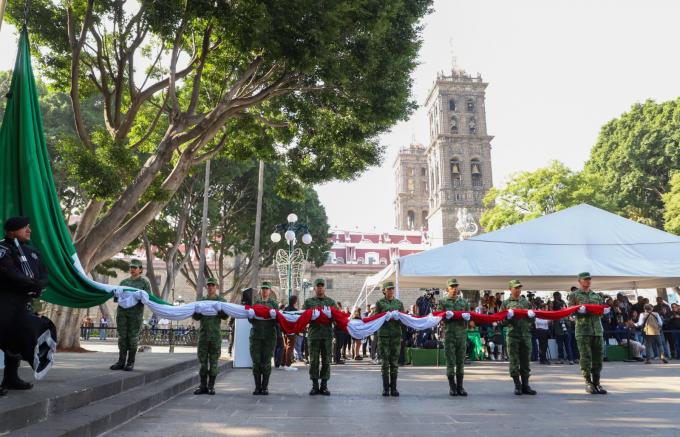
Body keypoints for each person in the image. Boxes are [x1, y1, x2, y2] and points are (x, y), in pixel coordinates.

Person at [0, 217, 49, 396]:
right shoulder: (2, 249)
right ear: (11, 231)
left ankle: (11, 378)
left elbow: (44, 274)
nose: (29, 231)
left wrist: (39, 285)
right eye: (24, 228)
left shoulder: (32, 251)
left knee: (17, 339)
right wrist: (32, 285)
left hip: (23, 303)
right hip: (4, 301)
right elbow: (8, 272)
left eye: (29, 227)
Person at [568, 272, 609, 395]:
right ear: (579, 281)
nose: (588, 281)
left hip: (597, 331)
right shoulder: (574, 295)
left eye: (589, 279)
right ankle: (588, 382)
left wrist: (604, 311)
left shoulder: (596, 296)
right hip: (583, 331)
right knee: (586, 358)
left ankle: (597, 383)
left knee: (598, 358)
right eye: (585, 279)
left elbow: (600, 311)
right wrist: (578, 312)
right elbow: (570, 312)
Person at [110, 259, 151, 371]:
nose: (132, 269)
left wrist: (139, 296)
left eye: (135, 267)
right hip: (122, 312)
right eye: (131, 267)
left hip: (135, 314)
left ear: (140, 270)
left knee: (132, 338)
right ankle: (121, 361)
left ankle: (130, 362)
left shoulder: (144, 283)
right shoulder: (124, 282)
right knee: (122, 337)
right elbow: (116, 299)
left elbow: (147, 299)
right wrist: (116, 294)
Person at [500, 279, 537, 396]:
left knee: (526, 361)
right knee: (514, 361)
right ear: (510, 289)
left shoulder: (526, 302)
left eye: (519, 288)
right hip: (512, 336)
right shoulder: (505, 303)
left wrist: (532, 316)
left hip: (525, 335)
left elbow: (532, 319)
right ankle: (517, 385)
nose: (518, 290)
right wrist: (508, 318)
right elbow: (501, 322)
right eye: (516, 288)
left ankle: (526, 385)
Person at [192, 278, 228, 395]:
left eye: (212, 285)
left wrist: (219, 311)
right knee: (202, 362)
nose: (210, 287)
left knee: (213, 362)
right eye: (209, 285)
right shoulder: (201, 301)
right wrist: (197, 312)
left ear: (216, 287)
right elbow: (196, 318)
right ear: (207, 287)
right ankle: (203, 385)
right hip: (203, 335)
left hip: (215, 337)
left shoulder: (221, 301)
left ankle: (211, 386)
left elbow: (225, 317)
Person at [303, 278, 337, 396]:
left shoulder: (331, 302)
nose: (320, 288)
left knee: (327, 360)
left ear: (324, 288)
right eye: (318, 286)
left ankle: (324, 385)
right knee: (314, 361)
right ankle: (314, 385)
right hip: (314, 335)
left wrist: (331, 316)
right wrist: (310, 317)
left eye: (322, 286)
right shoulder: (309, 302)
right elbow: (303, 317)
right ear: (315, 287)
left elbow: (337, 319)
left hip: (327, 335)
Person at [438, 278, 470, 396]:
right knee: (451, 362)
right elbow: (439, 317)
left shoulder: (463, 302)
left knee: (460, 361)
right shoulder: (443, 302)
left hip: (461, 335)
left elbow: (469, 317)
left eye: (456, 286)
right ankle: (452, 387)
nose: (455, 289)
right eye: (452, 287)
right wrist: (446, 316)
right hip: (450, 335)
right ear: (447, 289)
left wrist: (468, 318)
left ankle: (460, 387)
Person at [249, 281, 278, 395]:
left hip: (269, 337)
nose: (265, 290)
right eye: (263, 288)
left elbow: (277, 321)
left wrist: (274, 317)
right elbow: (251, 320)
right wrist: (250, 316)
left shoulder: (273, 304)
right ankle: (257, 387)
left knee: (266, 362)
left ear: (270, 291)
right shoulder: (256, 303)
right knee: (256, 362)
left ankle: (264, 387)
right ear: (261, 290)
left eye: (267, 289)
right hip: (256, 336)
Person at [375, 282, 404, 396]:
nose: (391, 291)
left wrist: (399, 318)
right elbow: (375, 318)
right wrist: (384, 317)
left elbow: (403, 319)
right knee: (385, 363)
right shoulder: (379, 303)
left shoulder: (399, 303)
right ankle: (386, 388)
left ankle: (394, 388)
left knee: (394, 362)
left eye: (392, 289)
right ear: (384, 291)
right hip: (384, 335)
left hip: (396, 335)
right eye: (389, 289)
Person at [282, 295, 299, 371]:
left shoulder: (285, 309)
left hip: (285, 330)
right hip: (292, 330)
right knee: (290, 347)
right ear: (295, 301)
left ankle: (283, 363)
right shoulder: (295, 310)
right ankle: (288, 364)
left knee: (286, 346)